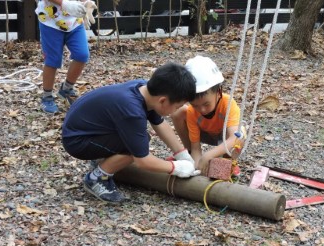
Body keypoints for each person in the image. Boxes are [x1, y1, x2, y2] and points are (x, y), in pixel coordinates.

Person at [62, 62, 198, 203]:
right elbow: (143, 161)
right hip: (77, 141)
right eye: (177, 106)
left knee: (139, 140)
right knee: (138, 144)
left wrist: (182, 154)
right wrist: (176, 168)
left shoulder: (144, 88)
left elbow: (160, 123)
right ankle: (97, 178)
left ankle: (103, 161)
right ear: (163, 100)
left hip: (87, 130)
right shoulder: (132, 112)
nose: (177, 110)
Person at [171, 56, 244, 176]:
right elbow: (196, 148)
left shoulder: (227, 103)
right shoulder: (192, 112)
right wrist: (197, 165)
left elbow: (235, 138)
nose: (202, 110)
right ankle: (187, 157)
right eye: (195, 105)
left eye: (206, 104)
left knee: (241, 134)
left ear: (218, 92)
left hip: (224, 136)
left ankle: (228, 162)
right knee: (198, 163)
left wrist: (209, 155)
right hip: (205, 133)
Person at [35, 0, 95, 114]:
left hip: (75, 22)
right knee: (52, 61)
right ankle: (47, 97)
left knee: (82, 55)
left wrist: (86, 3)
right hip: (50, 22)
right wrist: (64, 3)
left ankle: (67, 88)